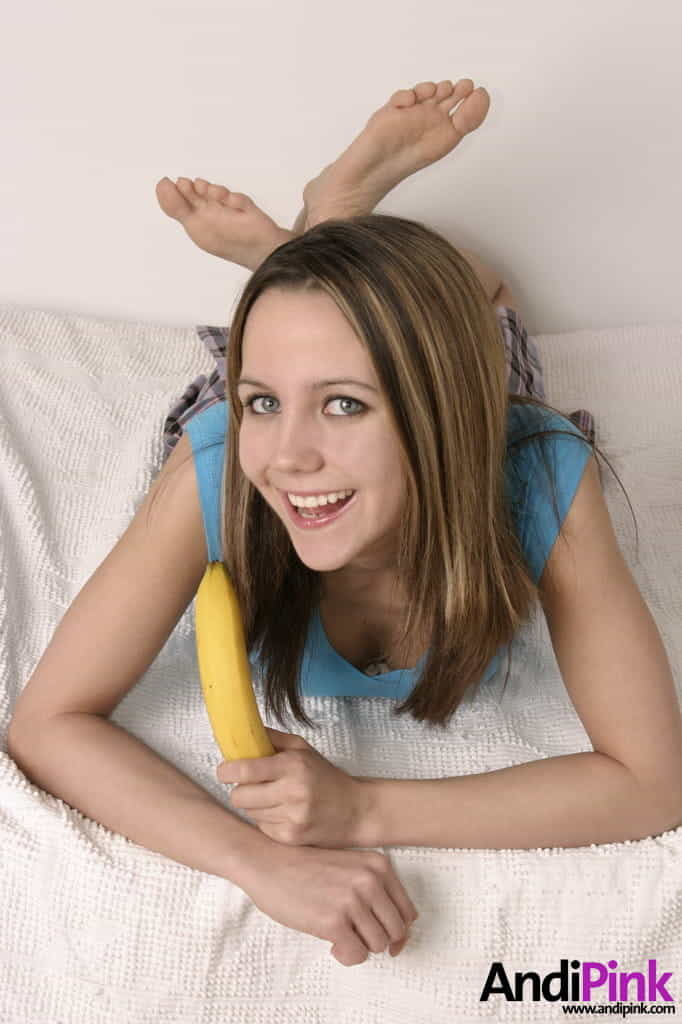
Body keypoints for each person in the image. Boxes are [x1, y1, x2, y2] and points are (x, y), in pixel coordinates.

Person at [13, 79, 663, 972]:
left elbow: (653, 780)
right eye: (263, 402)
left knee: (489, 306)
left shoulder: (539, 472)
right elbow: (45, 722)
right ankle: (311, 253)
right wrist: (254, 861)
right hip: (309, 417)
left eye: (346, 405)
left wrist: (361, 808)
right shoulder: (223, 464)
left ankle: (323, 233)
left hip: (470, 434)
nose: (287, 458)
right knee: (311, 354)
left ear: (446, 417)